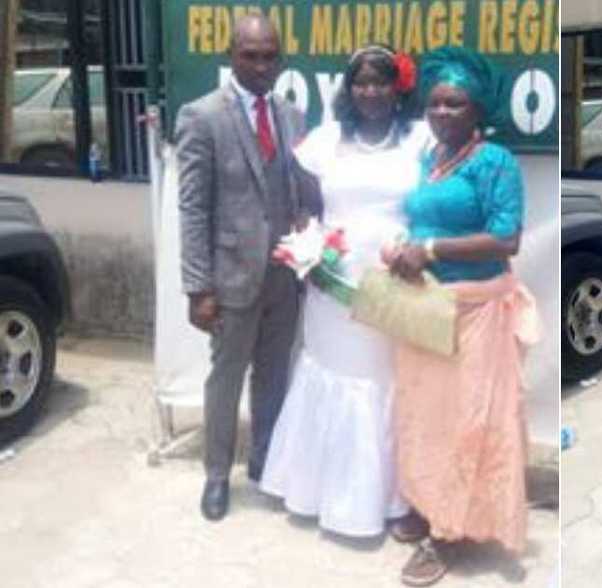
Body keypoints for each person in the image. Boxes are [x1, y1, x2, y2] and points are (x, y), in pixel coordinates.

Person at [381, 47, 538, 586]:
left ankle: (447, 534)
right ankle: (429, 505)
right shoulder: (429, 158)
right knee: (425, 416)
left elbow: (506, 238)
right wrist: (402, 248)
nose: (442, 112)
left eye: (455, 104)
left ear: (478, 111)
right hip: (425, 305)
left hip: (476, 311)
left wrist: (429, 250)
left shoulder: (495, 162)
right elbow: (421, 220)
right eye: (435, 103)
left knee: (466, 422)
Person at [259, 46, 429, 538]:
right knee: (336, 371)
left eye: (381, 81)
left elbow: (435, 202)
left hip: (394, 281)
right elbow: (307, 209)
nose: (371, 91)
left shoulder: (420, 138)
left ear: (399, 88)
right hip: (333, 283)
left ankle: (388, 498)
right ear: (348, 90)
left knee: (383, 377)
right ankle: (320, 493)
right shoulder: (325, 141)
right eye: (361, 82)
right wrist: (309, 252)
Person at [176, 14, 315, 521]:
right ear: (231, 55)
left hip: (284, 276)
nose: (261, 66)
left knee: (274, 375)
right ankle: (217, 475)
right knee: (226, 378)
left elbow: (300, 189)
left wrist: (307, 231)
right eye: (250, 55)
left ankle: (265, 463)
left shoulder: (292, 116)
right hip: (231, 276)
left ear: (281, 58)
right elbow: (193, 207)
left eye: (270, 56)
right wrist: (198, 287)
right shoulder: (202, 116)